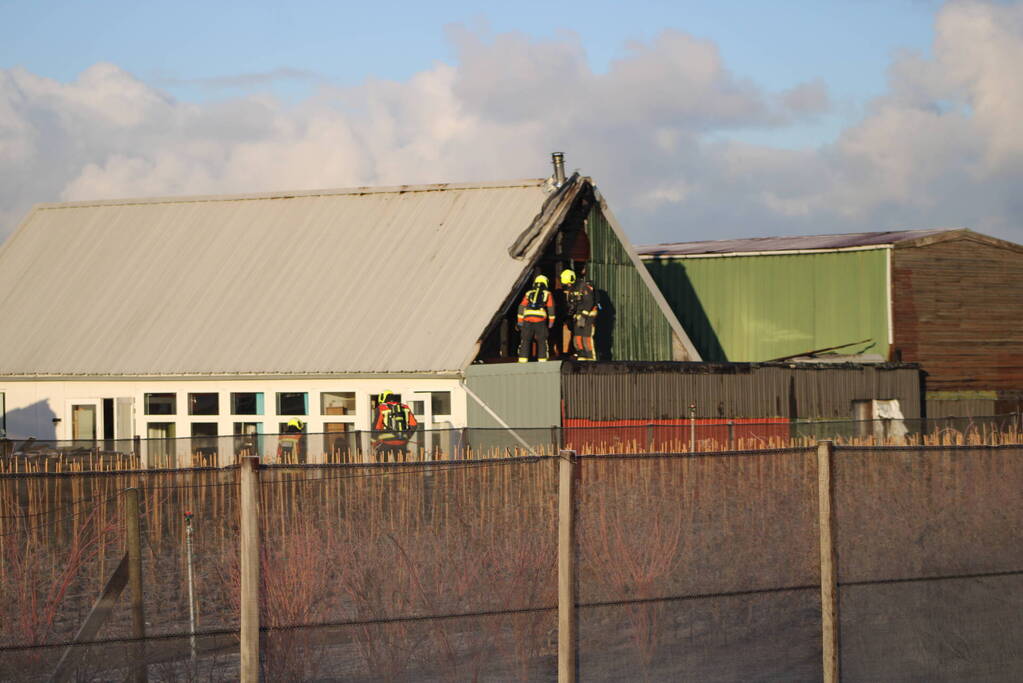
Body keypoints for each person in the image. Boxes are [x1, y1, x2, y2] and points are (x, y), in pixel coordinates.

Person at [561, 268, 598, 361]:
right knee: (577, 338)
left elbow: (589, 302)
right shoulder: (571, 290)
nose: (568, 285)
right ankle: (581, 358)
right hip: (578, 317)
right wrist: (569, 317)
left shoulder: (583, 287)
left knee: (586, 339)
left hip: (588, 316)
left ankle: (591, 360)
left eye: (568, 283)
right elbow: (571, 305)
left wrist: (583, 316)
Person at [517, 274, 555, 362]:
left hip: (527, 319)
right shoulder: (547, 294)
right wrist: (551, 323)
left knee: (525, 340)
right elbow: (551, 308)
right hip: (540, 320)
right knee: (542, 341)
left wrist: (520, 321)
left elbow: (521, 306)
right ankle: (542, 361)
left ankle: (522, 361)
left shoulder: (529, 293)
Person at [373, 391, 419, 461]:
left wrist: (374, 441)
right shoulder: (405, 407)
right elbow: (414, 425)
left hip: (386, 443)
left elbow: (377, 427)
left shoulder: (381, 408)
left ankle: (385, 471)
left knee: (382, 466)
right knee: (401, 467)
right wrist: (407, 436)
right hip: (401, 443)